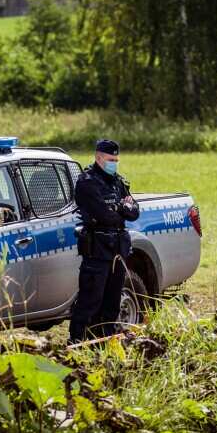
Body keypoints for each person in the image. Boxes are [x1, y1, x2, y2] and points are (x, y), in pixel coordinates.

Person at [70, 139, 140, 343]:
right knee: (90, 301)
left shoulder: (118, 182)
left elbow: (134, 212)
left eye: (117, 160)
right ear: (99, 158)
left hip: (117, 251)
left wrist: (119, 209)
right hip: (97, 251)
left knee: (112, 301)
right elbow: (104, 216)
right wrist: (121, 209)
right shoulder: (87, 182)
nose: (115, 163)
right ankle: (78, 342)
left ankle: (106, 341)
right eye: (111, 159)